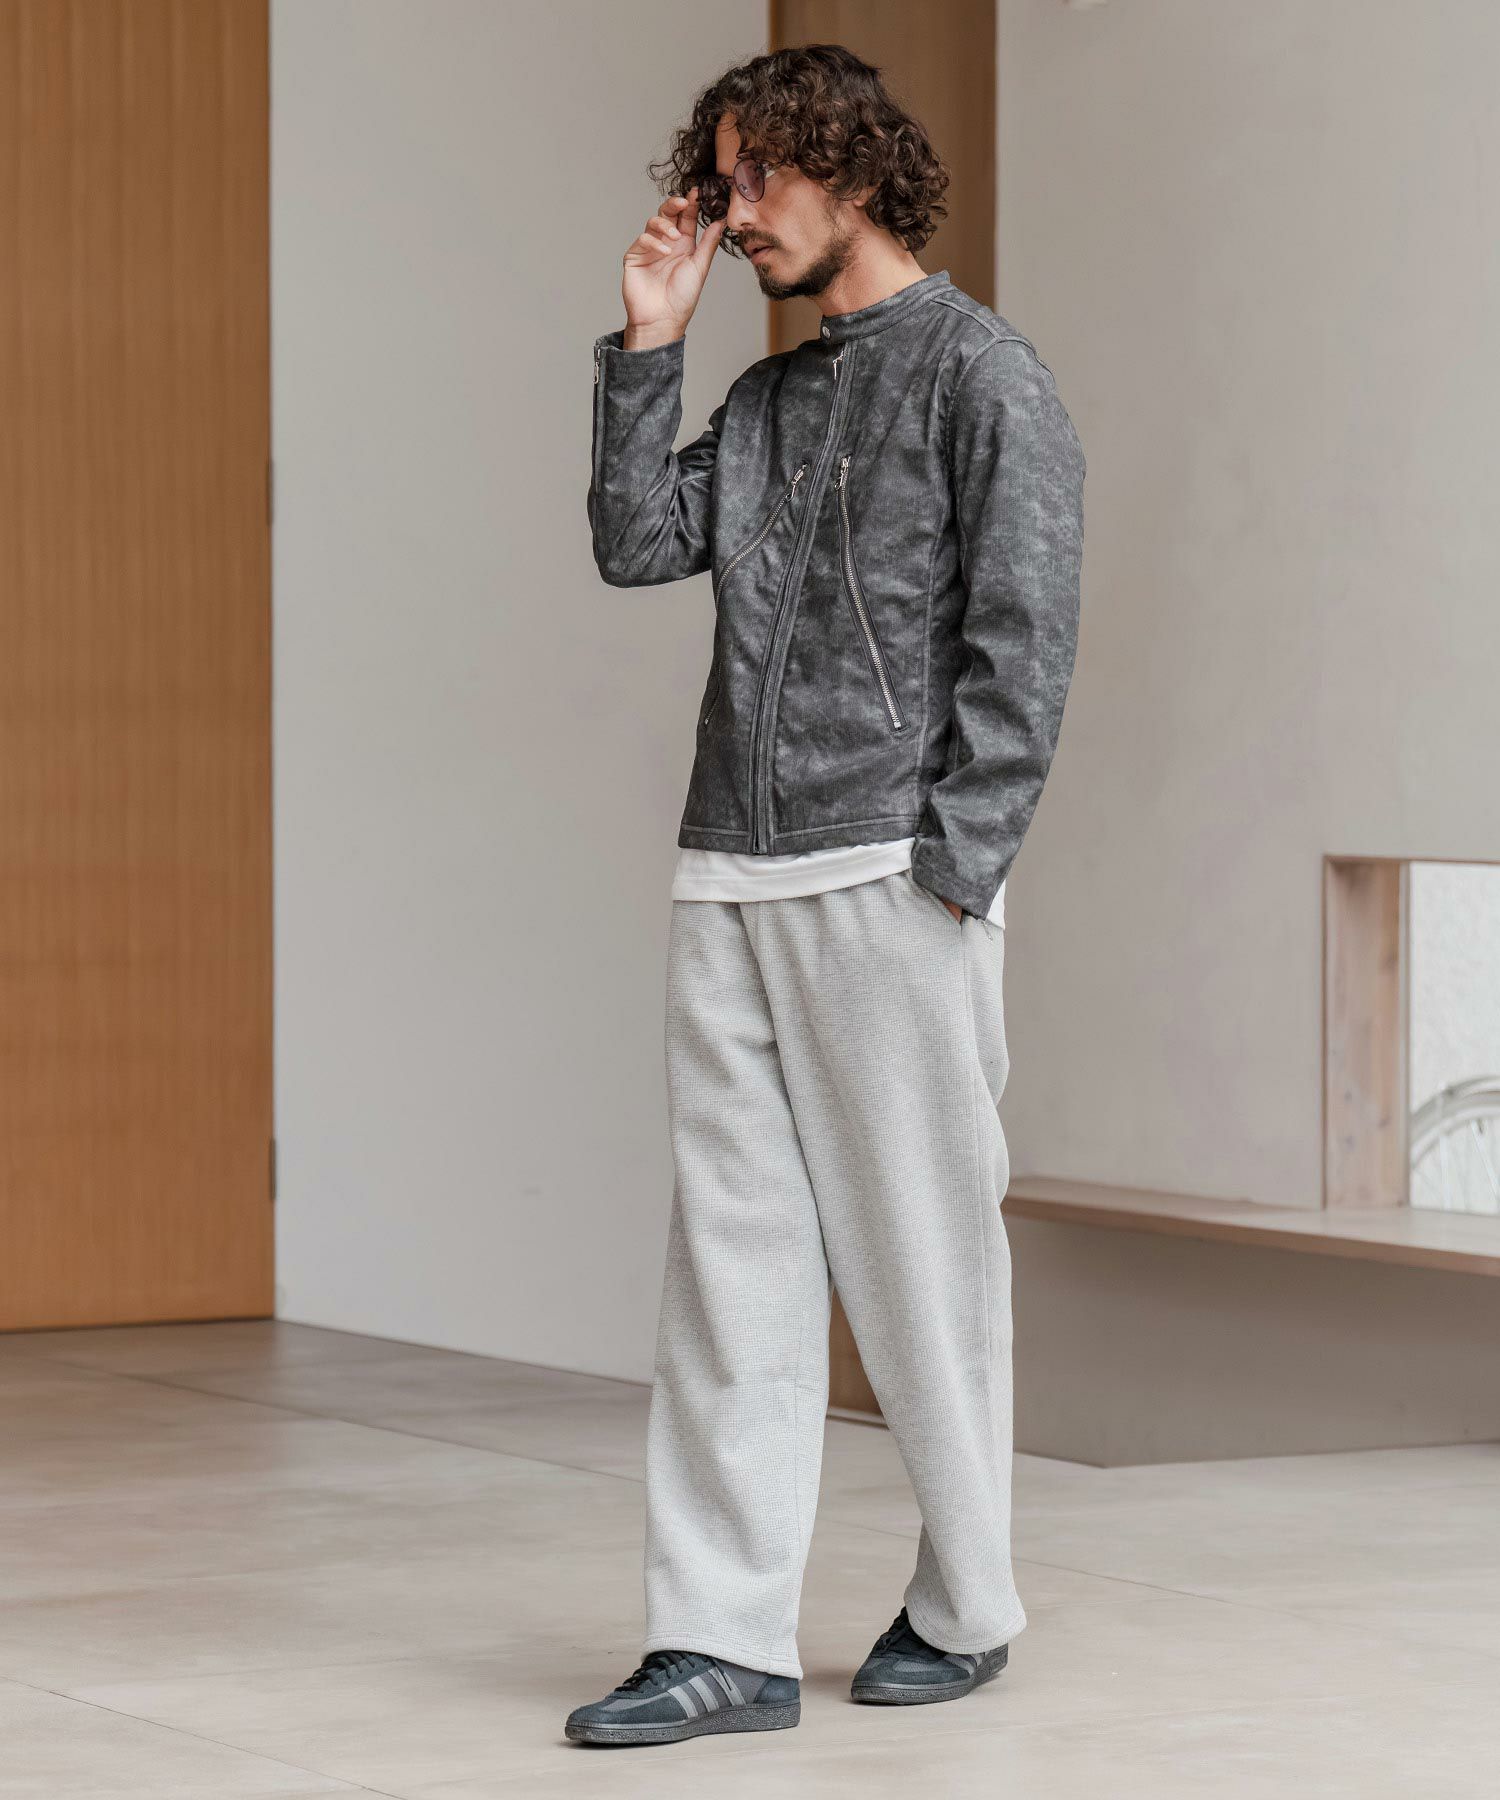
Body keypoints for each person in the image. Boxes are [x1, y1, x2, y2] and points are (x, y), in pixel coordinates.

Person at [566, 43, 1086, 1748]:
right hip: (728, 866)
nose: (734, 215)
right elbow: (638, 542)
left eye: (758, 177)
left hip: (887, 879)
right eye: (717, 183)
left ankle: (967, 1602)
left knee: (923, 1269)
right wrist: (651, 341)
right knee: (731, 1269)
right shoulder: (771, 398)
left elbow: (1025, 646)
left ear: (852, 164)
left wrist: (956, 875)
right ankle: (721, 1637)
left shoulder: (985, 376)